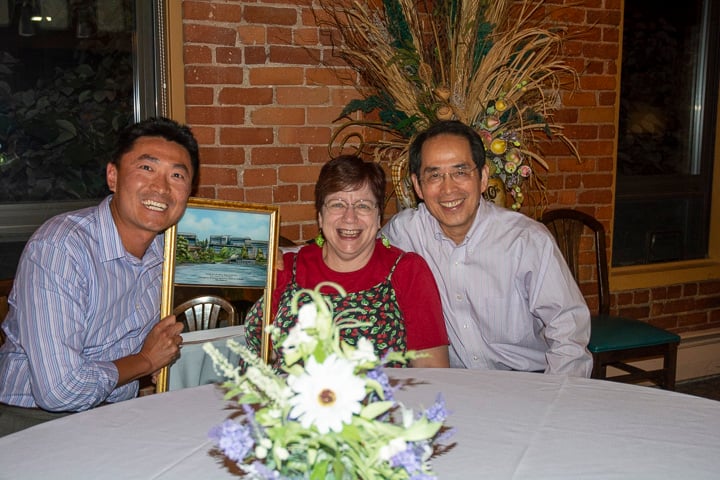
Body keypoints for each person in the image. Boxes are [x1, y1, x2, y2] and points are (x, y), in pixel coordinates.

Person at [0, 117, 199, 436]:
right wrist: (146, 361)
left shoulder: (168, 251)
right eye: (147, 168)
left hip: (116, 414)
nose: (161, 187)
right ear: (113, 176)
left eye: (177, 175)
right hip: (32, 420)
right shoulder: (61, 247)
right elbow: (59, 391)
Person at [381, 120, 592, 377]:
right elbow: (357, 265)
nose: (448, 189)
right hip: (456, 385)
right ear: (417, 186)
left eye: (460, 172)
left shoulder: (526, 240)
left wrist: (555, 396)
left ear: (482, 178)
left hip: (527, 381)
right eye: (434, 175)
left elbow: (568, 332)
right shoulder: (404, 233)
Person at [245, 155, 449, 368]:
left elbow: (432, 371)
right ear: (320, 217)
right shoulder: (286, 268)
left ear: (379, 217)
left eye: (363, 206)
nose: (349, 217)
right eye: (337, 204)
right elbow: (257, 353)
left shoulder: (408, 271)